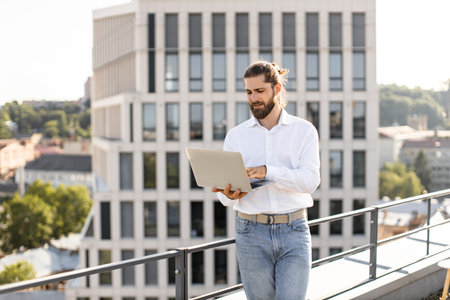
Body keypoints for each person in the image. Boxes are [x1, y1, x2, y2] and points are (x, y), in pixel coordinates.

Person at [212, 61, 320, 300]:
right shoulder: (236, 136)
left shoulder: (304, 131)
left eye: (259, 91)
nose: (253, 98)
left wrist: (267, 171)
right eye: (249, 92)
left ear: (277, 89)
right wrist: (228, 194)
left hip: (294, 231)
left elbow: (310, 181)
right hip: (250, 232)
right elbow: (224, 197)